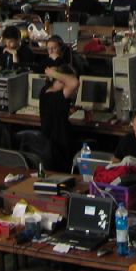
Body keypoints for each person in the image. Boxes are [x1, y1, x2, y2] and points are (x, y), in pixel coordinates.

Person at [39, 35, 79, 171]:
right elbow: (74, 83)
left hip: (49, 146)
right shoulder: (57, 96)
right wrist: (55, 74)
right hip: (59, 149)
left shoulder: (45, 91)